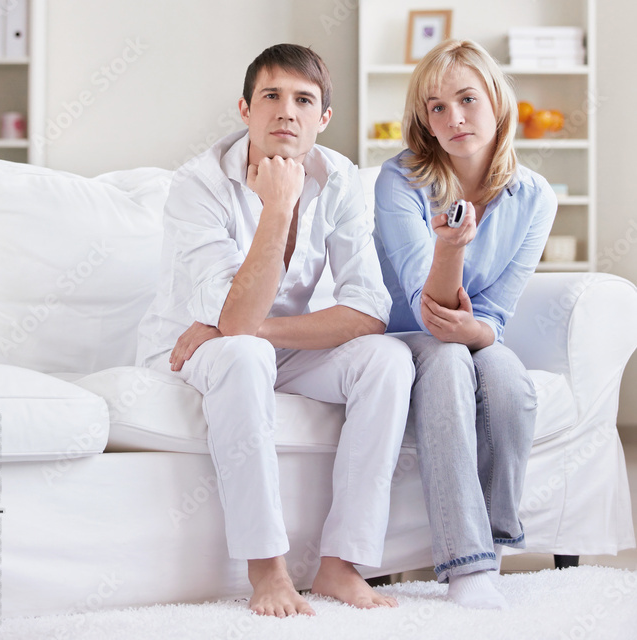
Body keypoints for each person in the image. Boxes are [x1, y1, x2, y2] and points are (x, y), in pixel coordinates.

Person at [137, 44, 415, 618]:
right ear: (245, 109)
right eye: (271, 96)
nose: (287, 111)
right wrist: (279, 208)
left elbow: (368, 309)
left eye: (303, 100)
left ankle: (342, 564)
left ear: (323, 119)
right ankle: (268, 570)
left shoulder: (338, 179)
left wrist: (256, 329)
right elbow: (235, 327)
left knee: (387, 360)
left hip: (262, 341)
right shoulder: (200, 184)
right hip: (189, 354)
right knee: (242, 357)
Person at [373, 39, 557, 611]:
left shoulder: (534, 196)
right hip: (407, 334)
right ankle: (466, 567)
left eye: (467, 99)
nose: (453, 118)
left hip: (474, 333)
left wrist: (479, 333)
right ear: (423, 120)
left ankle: (495, 547)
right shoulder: (398, 180)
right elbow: (423, 301)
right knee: (449, 359)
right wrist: (450, 246)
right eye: (436, 107)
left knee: (509, 383)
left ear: (497, 101)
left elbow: (497, 312)